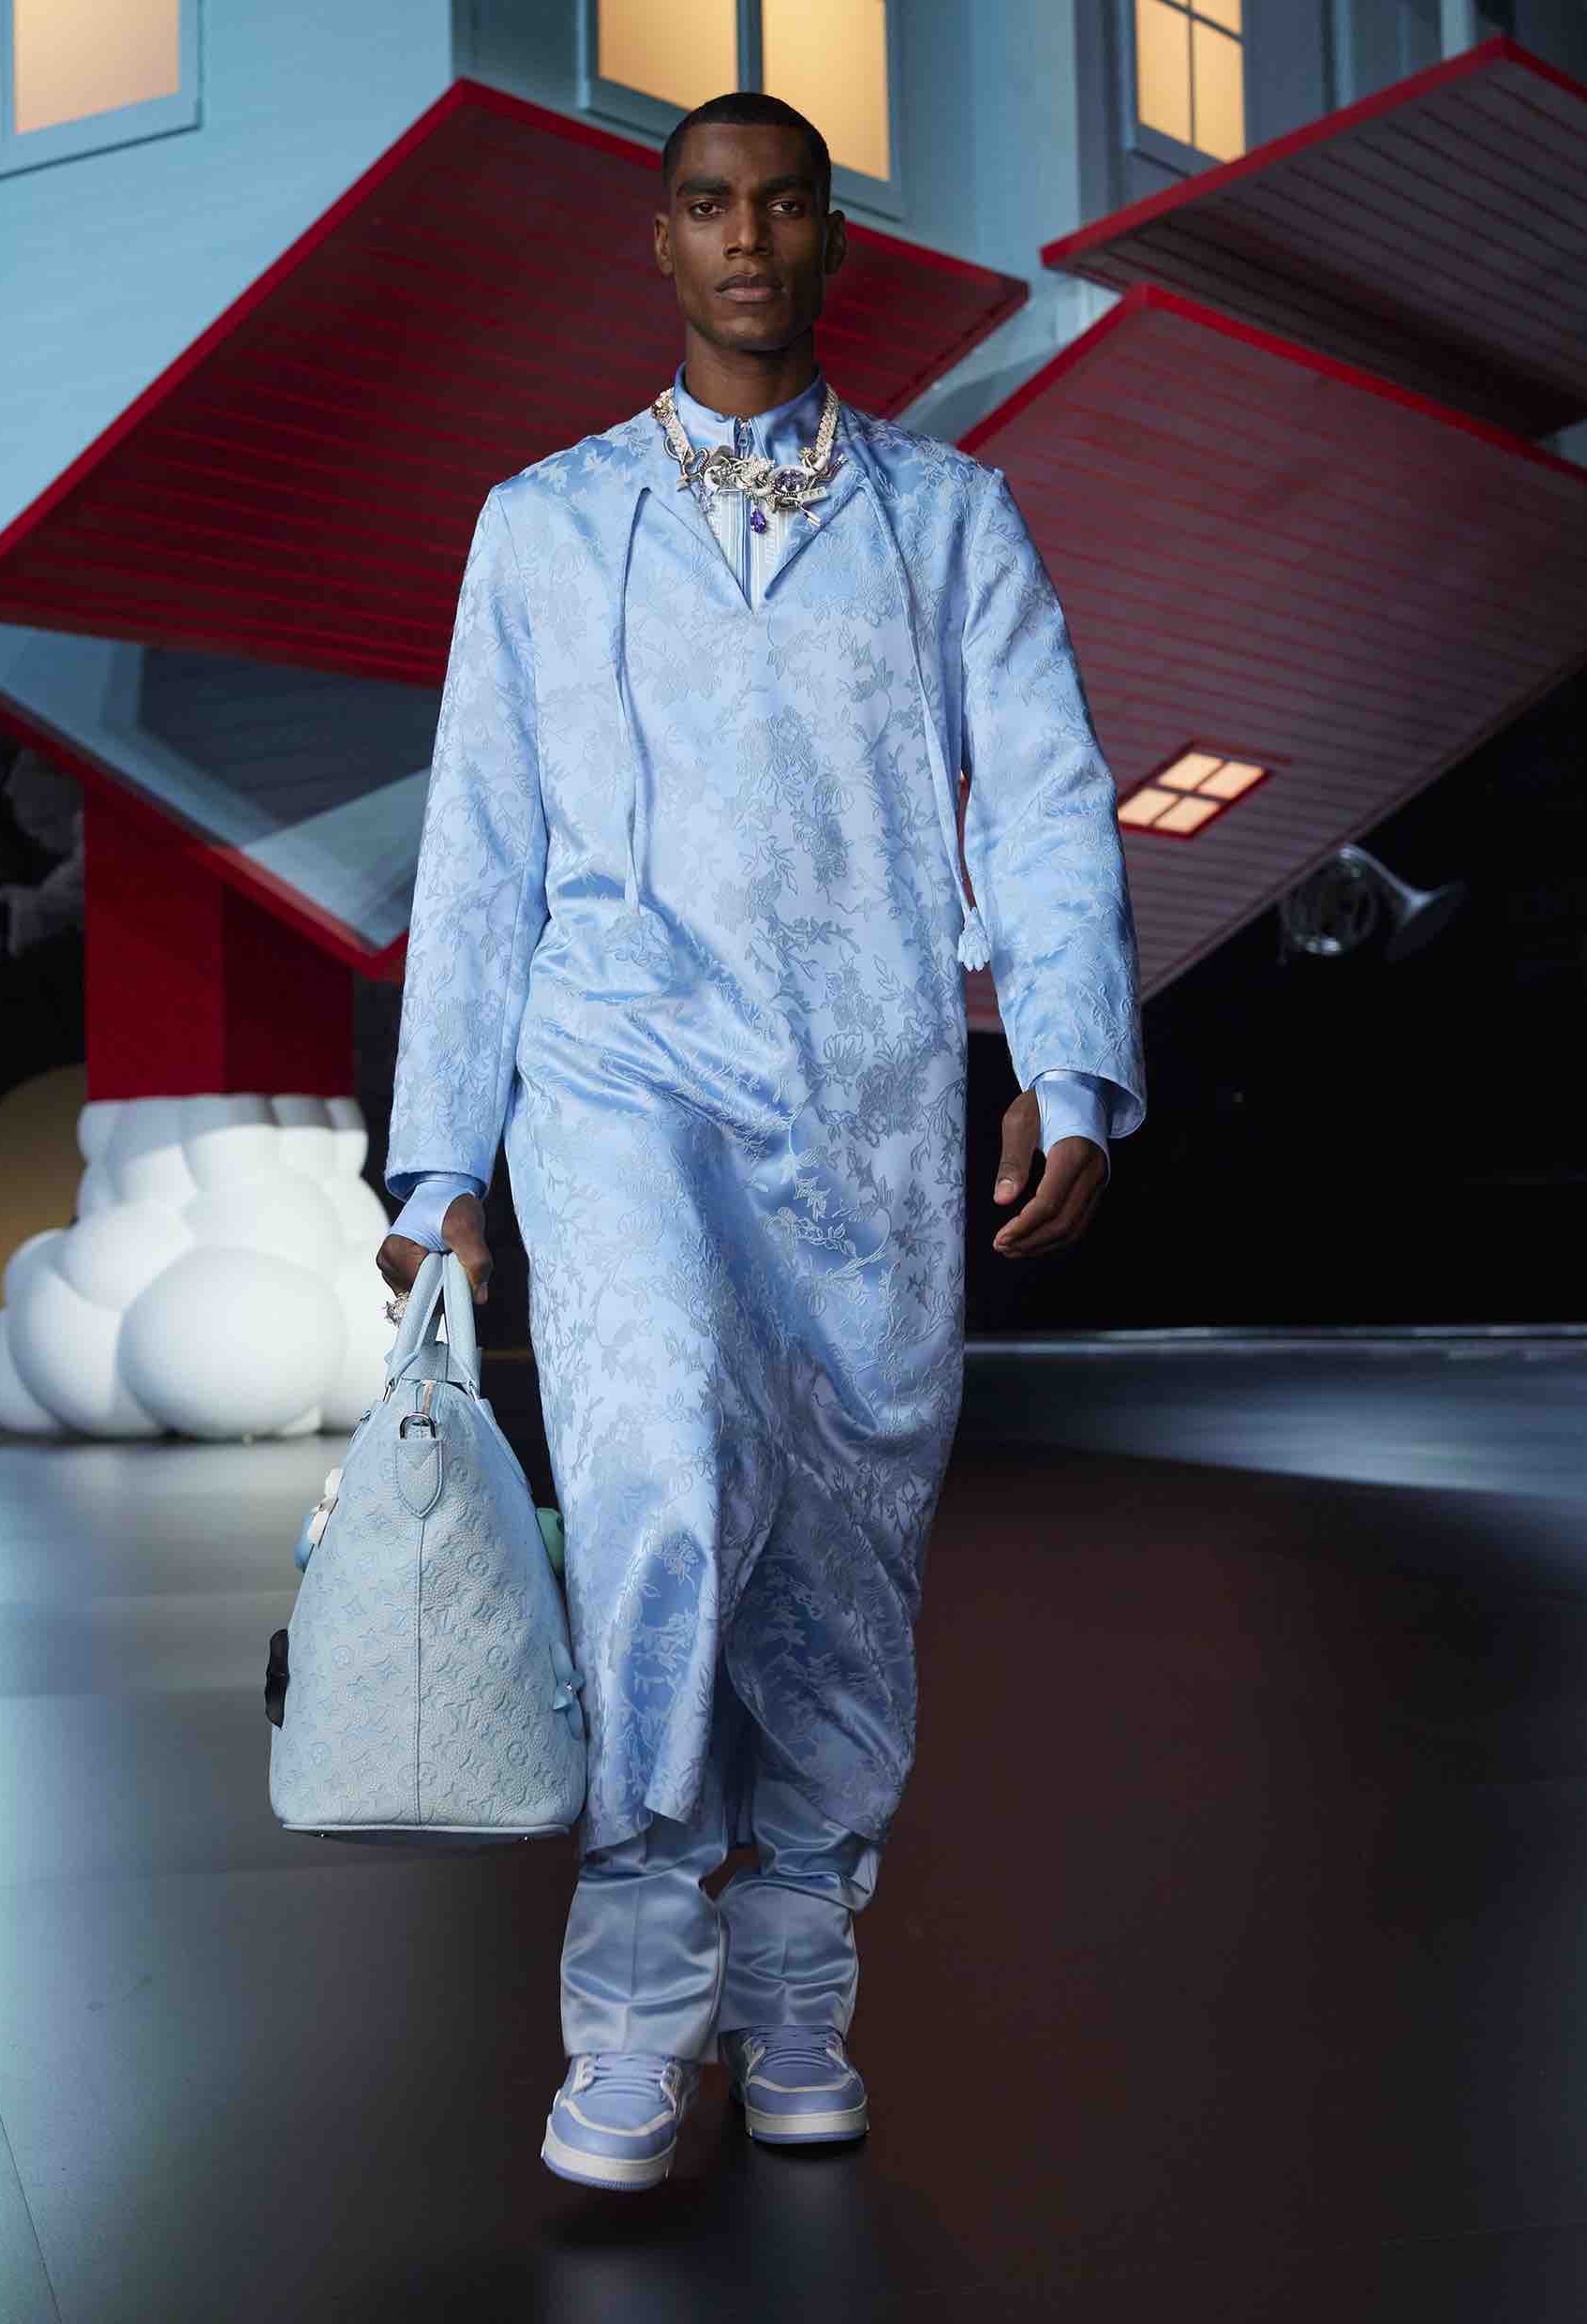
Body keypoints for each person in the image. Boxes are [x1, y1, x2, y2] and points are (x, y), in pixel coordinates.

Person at [375, 90, 1146, 2192]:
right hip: (617, 1075)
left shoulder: (950, 520)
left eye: (785, 206)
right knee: (651, 1490)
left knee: (841, 1553)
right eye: (708, 205)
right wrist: (442, 1162)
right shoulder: (546, 525)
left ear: (828, 240)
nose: (746, 240)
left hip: (870, 1097)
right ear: (662, 241)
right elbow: (481, 845)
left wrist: (1067, 1058)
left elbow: (1045, 796)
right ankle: (633, 2012)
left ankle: (796, 1987)